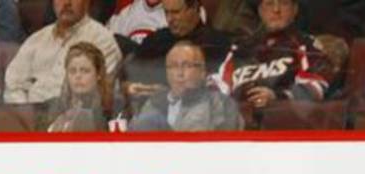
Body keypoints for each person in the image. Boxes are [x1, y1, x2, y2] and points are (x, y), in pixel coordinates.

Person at [218, 0, 336, 129]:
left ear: (295, 10)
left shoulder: (306, 44)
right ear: (260, 11)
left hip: (285, 127)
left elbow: (316, 85)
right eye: (269, 3)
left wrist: (278, 98)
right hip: (236, 129)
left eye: (284, 3)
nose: (276, 10)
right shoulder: (239, 49)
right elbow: (218, 87)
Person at [3, 0, 122, 103]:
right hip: (27, 115)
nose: (66, 3)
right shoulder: (36, 40)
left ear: (87, 2)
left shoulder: (102, 41)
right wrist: (26, 111)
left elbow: (93, 98)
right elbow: (12, 86)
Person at [128, 41, 244, 130]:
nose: (179, 73)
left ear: (202, 71)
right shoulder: (154, 103)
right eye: (173, 66)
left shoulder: (220, 104)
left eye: (187, 65)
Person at [40, 41, 113, 131]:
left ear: (98, 74)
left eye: (85, 71)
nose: (78, 76)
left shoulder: (111, 109)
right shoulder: (52, 108)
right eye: (72, 71)